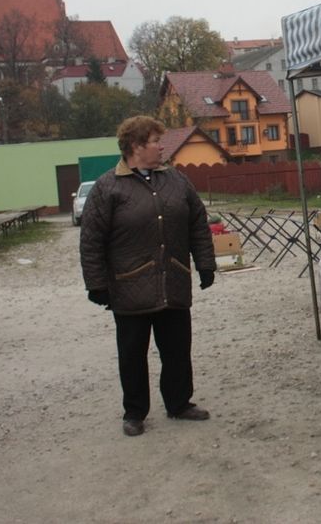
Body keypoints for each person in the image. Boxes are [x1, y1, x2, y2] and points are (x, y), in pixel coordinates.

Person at [80, 115, 218, 436]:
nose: (161, 146)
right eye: (156, 141)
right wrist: (97, 284)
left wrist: (205, 263)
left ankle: (179, 402)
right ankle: (134, 412)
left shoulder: (177, 180)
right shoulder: (107, 187)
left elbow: (197, 222)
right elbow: (91, 239)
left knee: (177, 349)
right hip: (129, 288)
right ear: (136, 146)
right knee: (132, 354)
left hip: (173, 281)